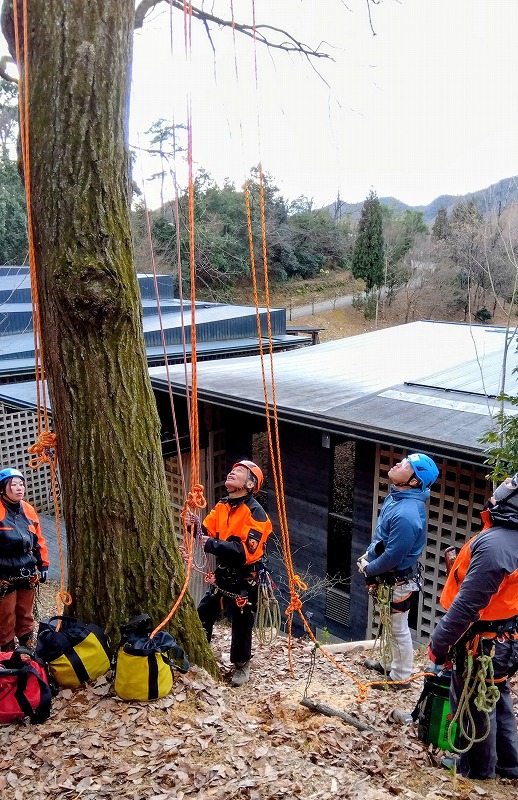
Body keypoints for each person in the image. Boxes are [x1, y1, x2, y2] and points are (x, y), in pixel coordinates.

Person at [428, 475, 518, 780]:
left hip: (484, 640)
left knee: (474, 702)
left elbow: (468, 606)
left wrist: (439, 644)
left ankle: (478, 770)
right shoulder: (505, 539)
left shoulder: (496, 546)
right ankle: (509, 763)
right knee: (496, 693)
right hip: (505, 636)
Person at [360, 453, 439, 687]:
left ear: (414, 481)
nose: (397, 463)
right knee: (390, 623)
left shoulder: (407, 514)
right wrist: (370, 556)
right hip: (390, 576)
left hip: (398, 578)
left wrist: (370, 569)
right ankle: (390, 664)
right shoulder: (397, 497)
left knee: (397, 627)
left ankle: (401, 676)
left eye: (405, 465)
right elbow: (383, 539)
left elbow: (394, 556)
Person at [195, 460, 272, 686]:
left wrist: (212, 544)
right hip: (224, 573)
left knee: (241, 621)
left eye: (238, 472)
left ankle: (241, 664)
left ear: (250, 484)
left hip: (246, 577)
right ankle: (200, 650)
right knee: (204, 611)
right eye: (232, 470)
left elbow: (246, 552)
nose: (231, 473)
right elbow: (206, 531)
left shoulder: (256, 513)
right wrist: (193, 525)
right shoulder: (223, 506)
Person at [0, 467, 49, 651]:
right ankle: (7, 650)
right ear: (3, 489)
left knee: (26, 613)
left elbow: (38, 539)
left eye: (21, 484)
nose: (19, 488)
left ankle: (27, 646)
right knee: (6, 614)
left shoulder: (28, 509)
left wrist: (43, 564)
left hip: (26, 568)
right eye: (13, 485)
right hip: (4, 571)